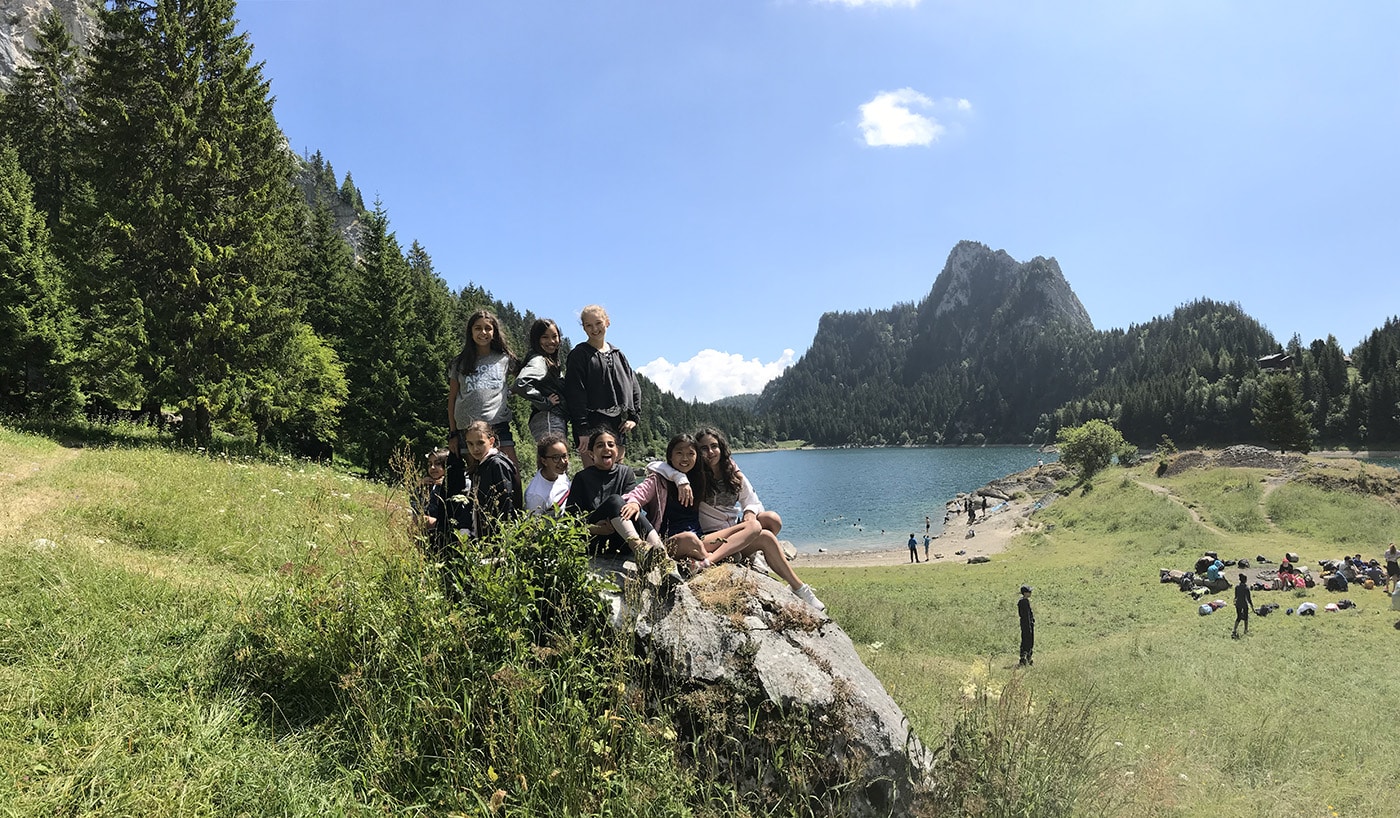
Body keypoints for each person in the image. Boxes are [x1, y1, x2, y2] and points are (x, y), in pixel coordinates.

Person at [649, 426, 823, 610]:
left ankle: (800, 589)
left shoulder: (731, 471)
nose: (710, 452)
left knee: (770, 523)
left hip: (730, 530)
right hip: (709, 536)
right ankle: (715, 560)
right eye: (703, 448)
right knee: (762, 534)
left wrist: (748, 512)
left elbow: (753, 500)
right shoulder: (693, 473)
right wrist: (679, 478)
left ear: (721, 448)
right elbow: (654, 466)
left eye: (714, 446)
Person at [447, 310, 518, 496]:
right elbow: (452, 398)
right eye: (478, 328)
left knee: (512, 471)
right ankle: (478, 520)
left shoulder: (505, 359)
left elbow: (527, 378)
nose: (483, 332)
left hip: (497, 424)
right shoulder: (460, 362)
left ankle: (517, 516)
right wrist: (453, 433)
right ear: (470, 332)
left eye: (488, 328)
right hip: (467, 429)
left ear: (495, 332)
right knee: (477, 477)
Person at [621, 433, 720, 564]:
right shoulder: (659, 480)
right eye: (679, 453)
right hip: (669, 541)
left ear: (697, 456)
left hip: (699, 536)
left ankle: (701, 558)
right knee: (689, 539)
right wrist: (635, 503)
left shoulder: (698, 479)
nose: (685, 458)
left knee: (746, 529)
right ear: (670, 456)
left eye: (691, 454)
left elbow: (723, 464)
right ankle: (709, 561)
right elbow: (639, 492)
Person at [563, 305, 641, 467]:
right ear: (583, 327)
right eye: (588, 325)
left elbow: (633, 385)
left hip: (617, 424)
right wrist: (582, 430)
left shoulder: (618, 355)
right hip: (591, 423)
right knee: (593, 477)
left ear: (607, 322)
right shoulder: (579, 355)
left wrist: (634, 417)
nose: (594, 329)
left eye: (598, 323)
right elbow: (574, 394)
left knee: (618, 474)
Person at [565, 428, 662, 557]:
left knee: (631, 506)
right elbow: (570, 519)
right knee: (615, 500)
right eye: (600, 445)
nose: (606, 448)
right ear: (591, 454)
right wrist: (595, 528)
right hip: (595, 540)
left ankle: (662, 555)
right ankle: (639, 548)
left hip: (622, 538)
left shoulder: (625, 472)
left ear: (617, 451)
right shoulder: (582, 478)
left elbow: (631, 507)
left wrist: (636, 505)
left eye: (611, 445)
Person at [460, 420, 521, 539]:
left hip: (497, 536)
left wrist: (505, 537)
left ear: (491, 441)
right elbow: (472, 500)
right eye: (470, 444)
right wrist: (464, 528)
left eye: (480, 443)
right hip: (481, 534)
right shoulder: (480, 465)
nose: (475, 448)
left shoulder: (497, 465)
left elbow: (506, 502)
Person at [513, 318, 569, 444]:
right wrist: (545, 402)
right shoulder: (539, 360)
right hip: (549, 418)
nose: (551, 341)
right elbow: (520, 384)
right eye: (545, 337)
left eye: (554, 336)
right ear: (536, 339)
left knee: (551, 459)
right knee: (554, 458)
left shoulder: (551, 361)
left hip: (550, 418)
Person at [524, 433, 571, 515]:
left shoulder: (560, 474)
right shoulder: (536, 495)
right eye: (556, 458)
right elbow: (531, 525)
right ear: (544, 461)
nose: (563, 462)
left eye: (564, 456)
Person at [1018, 585, 1035, 667]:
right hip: (1026, 624)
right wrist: (1029, 626)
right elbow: (1026, 616)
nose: (1030, 593)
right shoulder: (1024, 602)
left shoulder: (1023, 601)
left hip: (1025, 624)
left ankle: (1025, 658)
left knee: (1025, 640)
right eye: (1029, 592)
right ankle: (1026, 658)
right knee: (1028, 641)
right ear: (1025, 593)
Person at [1232, 573, 1252, 639]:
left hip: (1238, 604)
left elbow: (1236, 596)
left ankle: (1234, 629)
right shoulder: (1246, 588)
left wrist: (1234, 602)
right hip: (1244, 604)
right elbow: (1249, 598)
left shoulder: (1237, 587)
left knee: (1238, 617)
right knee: (1246, 618)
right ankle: (1245, 630)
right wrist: (1251, 605)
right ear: (1245, 580)